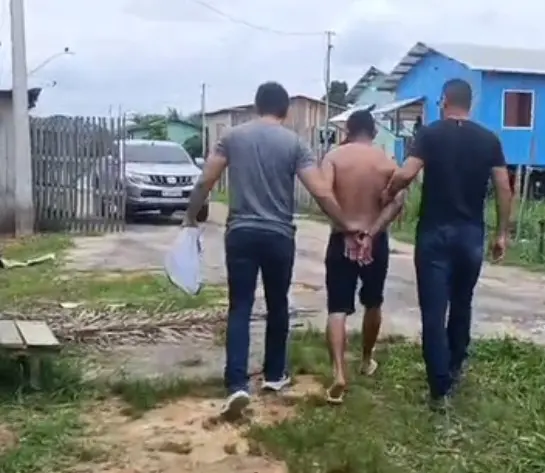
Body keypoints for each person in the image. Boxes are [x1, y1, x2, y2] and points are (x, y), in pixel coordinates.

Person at [183, 81, 358, 419]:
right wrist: (345, 224)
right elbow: (321, 192)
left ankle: (236, 384)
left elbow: (205, 180)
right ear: (285, 110)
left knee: (240, 306)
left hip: (241, 233)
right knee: (278, 304)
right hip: (279, 236)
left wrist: (191, 215)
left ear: (256, 105)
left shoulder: (232, 138)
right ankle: (275, 375)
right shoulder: (294, 143)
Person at [382, 79, 513, 411]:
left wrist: (389, 191)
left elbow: (407, 173)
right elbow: (503, 187)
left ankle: (439, 389)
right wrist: (501, 233)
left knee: (433, 310)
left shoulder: (429, 134)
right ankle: (454, 367)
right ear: (470, 104)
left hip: (434, 233)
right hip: (471, 235)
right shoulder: (489, 139)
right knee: (462, 303)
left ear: (443, 101)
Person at [321, 109, 406, 404]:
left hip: (341, 239)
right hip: (375, 240)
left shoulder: (333, 158)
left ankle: (338, 372)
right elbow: (397, 202)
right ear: (373, 131)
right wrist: (370, 232)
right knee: (373, 302)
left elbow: (324, 195)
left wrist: (346, 228)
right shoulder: (386, 161)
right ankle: (366, 359)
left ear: (348, 130)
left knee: (337, 308)